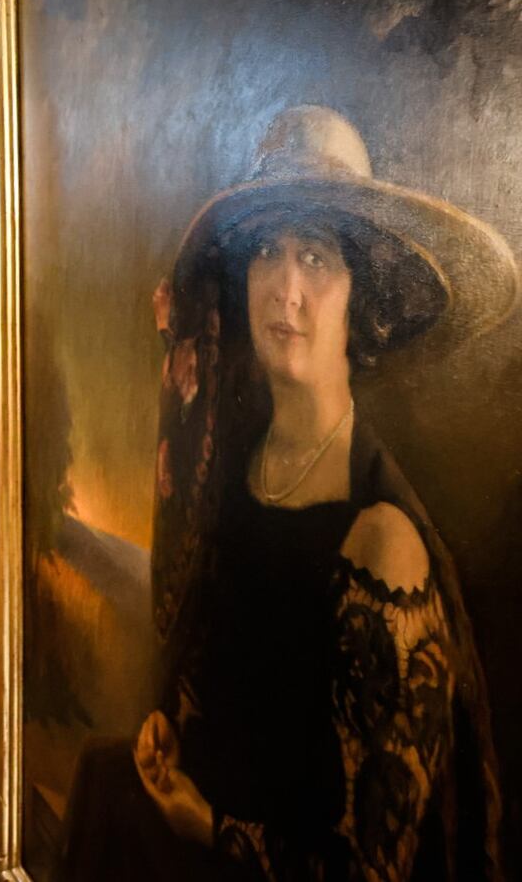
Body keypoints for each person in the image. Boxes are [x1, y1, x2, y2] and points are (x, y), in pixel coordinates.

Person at [59, 106, 507, 880]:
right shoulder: (241, 465)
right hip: (198, 835)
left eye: (317, 257)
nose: (286, 289)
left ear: (360, 301)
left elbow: (375, 866)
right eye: (268, 251)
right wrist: (176, 729)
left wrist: (211, 828)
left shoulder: (382, 541)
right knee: (106, 778)